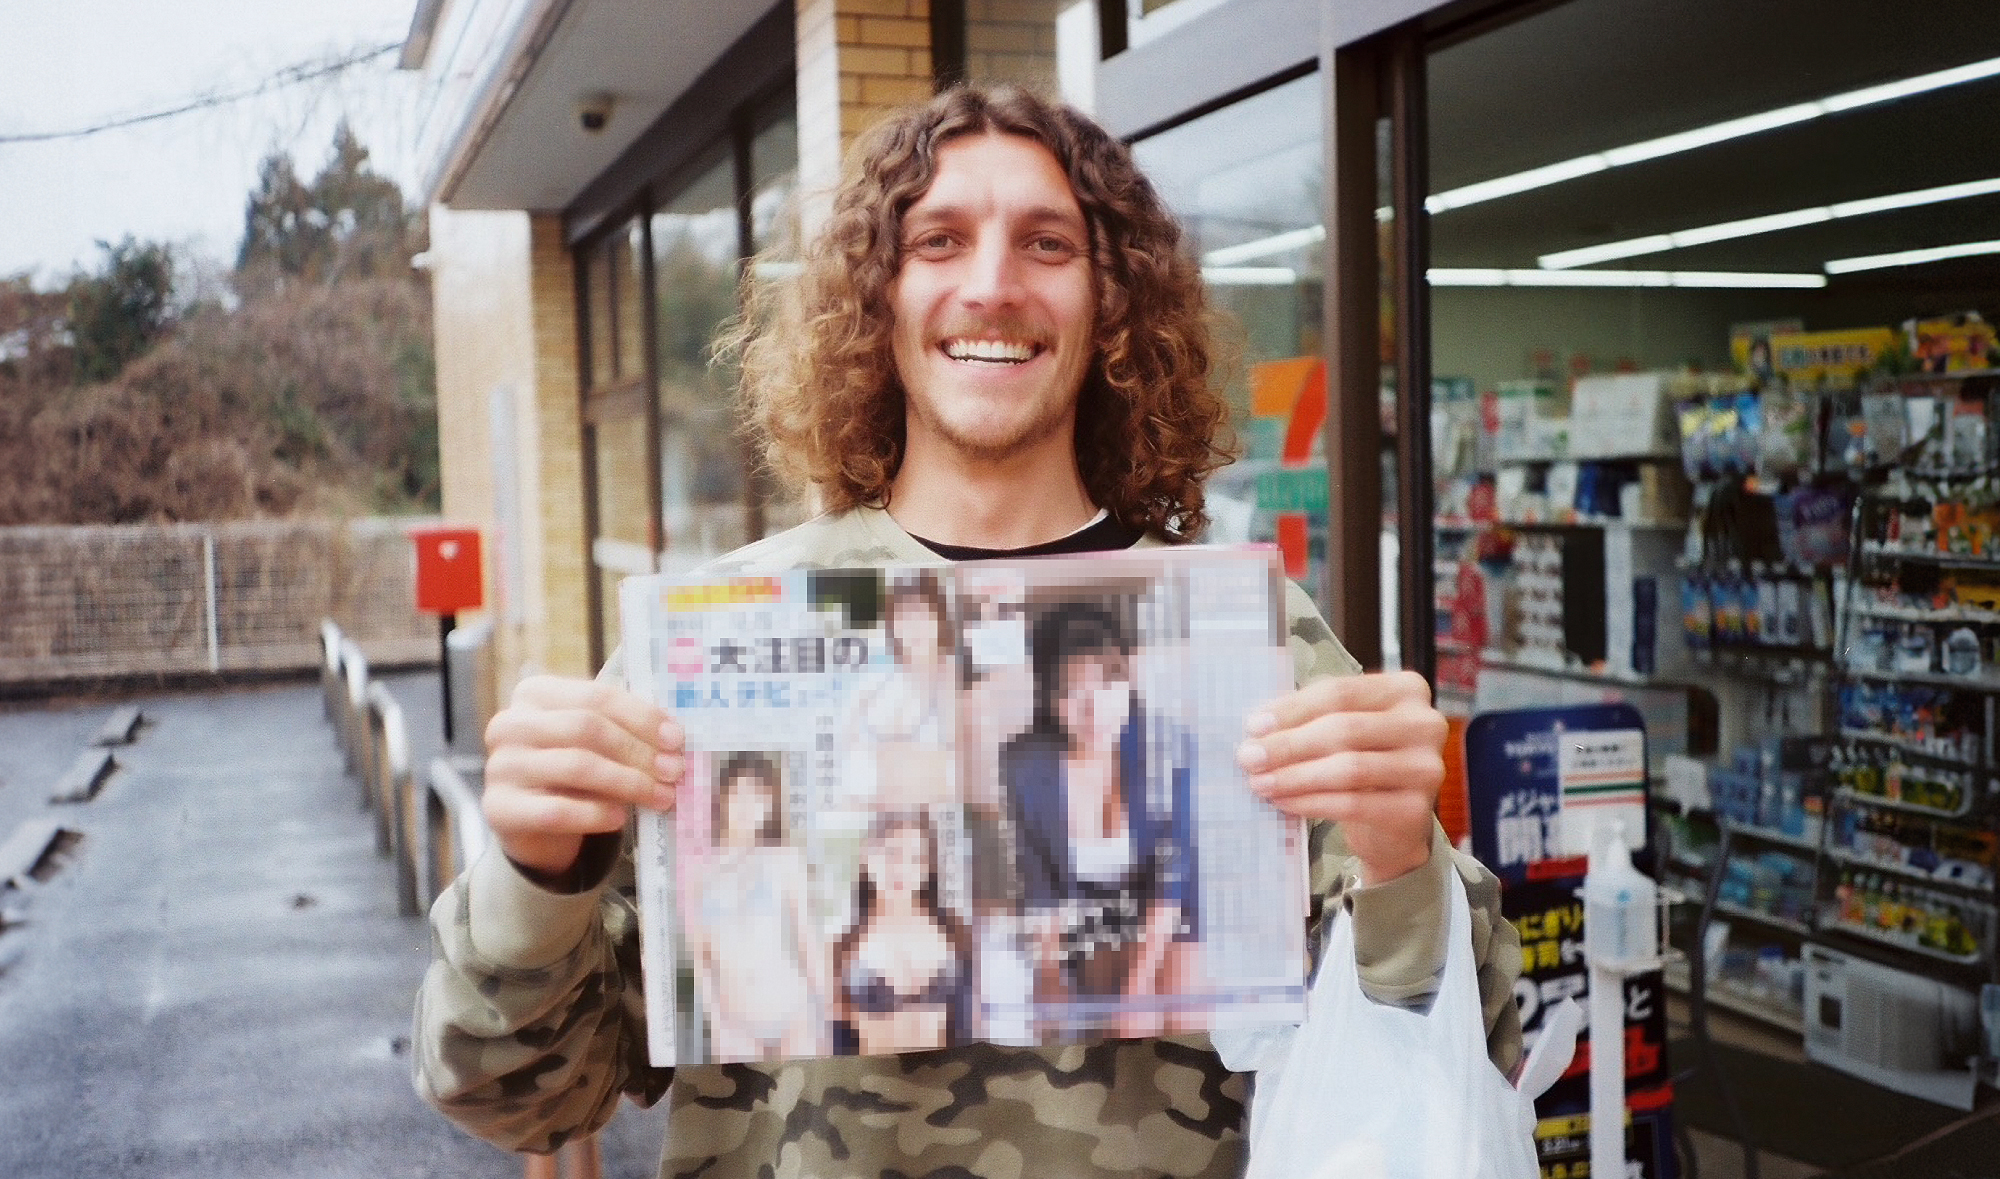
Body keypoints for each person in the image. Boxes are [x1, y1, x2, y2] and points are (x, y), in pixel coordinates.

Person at [414, 83, 1523, 1179]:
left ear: (1112, 303)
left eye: (1048, 244)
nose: (991, 286)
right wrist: (535, 870)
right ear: (876, 297)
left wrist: (1400, 859)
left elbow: (1473, 1060)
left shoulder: (1246, 639)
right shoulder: (725, 648)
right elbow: (515, 1096)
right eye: (937, 240)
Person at [1001, 599, 1203, 1039]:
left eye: (1108, 684)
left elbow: (1175, 874)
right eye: (1071, 691)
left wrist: (1138, 986)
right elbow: (1038, 882)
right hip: (1088, 912)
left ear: (1128, 683)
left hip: (1169, 906)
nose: (1093, 708)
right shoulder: (1024, 766)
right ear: (1049, 699)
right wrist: (1049, 974)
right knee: (1081, 1024)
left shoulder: (1167, 746)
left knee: (1176, 1014)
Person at [687, 753, 825, 1061]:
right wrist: (718, 1026)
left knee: (807, 1090)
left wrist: (829, 1011)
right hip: (735, 1023)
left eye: (759, 796)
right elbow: (700, 959)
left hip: (793, 1011)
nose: (748, 805)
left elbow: (808, 942)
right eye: (739, 793)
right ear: (722, 798)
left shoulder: (785, 859)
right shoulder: (700, 872)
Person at [830, 809, 974, 1055]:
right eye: (892, 853)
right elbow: (833, 1032)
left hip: (945, 1073)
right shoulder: (844, 944)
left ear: (928, 867)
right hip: (875, 1074)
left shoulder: (953, 931)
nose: (901, 868)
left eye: (916, 858)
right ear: (867, 854)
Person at [838, 574, 958, 808]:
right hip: (876, 813)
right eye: (903, 616)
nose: (914, 627)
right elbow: (843, 756)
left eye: (921, 613)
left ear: (940, 617)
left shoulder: (957, 681)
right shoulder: (873, 685)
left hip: (934, 814)